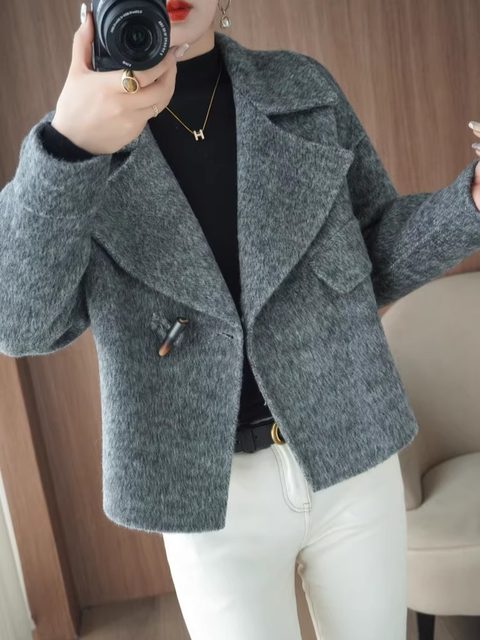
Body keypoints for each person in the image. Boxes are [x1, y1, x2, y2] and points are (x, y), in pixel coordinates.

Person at [2, 2, 480, 639]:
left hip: (352, 450)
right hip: (209, 492)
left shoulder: (301, 87)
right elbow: (22, 323)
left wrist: (472, 201)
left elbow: (373, 259)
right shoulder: (71, 144)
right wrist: (70, 147)